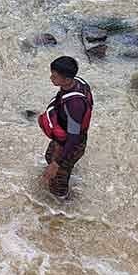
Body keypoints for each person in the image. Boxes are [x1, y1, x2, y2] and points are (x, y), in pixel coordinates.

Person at [37, 56, 94, 198]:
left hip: (71, 143)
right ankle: (60, 169)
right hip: (64, 136)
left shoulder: (74, 104)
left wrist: (57, 164)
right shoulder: (78, 82)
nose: (51, 78)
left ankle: (62, 213)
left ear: (67, 79)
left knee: (57, 187)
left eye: (54, 76)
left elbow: (73, 138)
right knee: (49, 155)